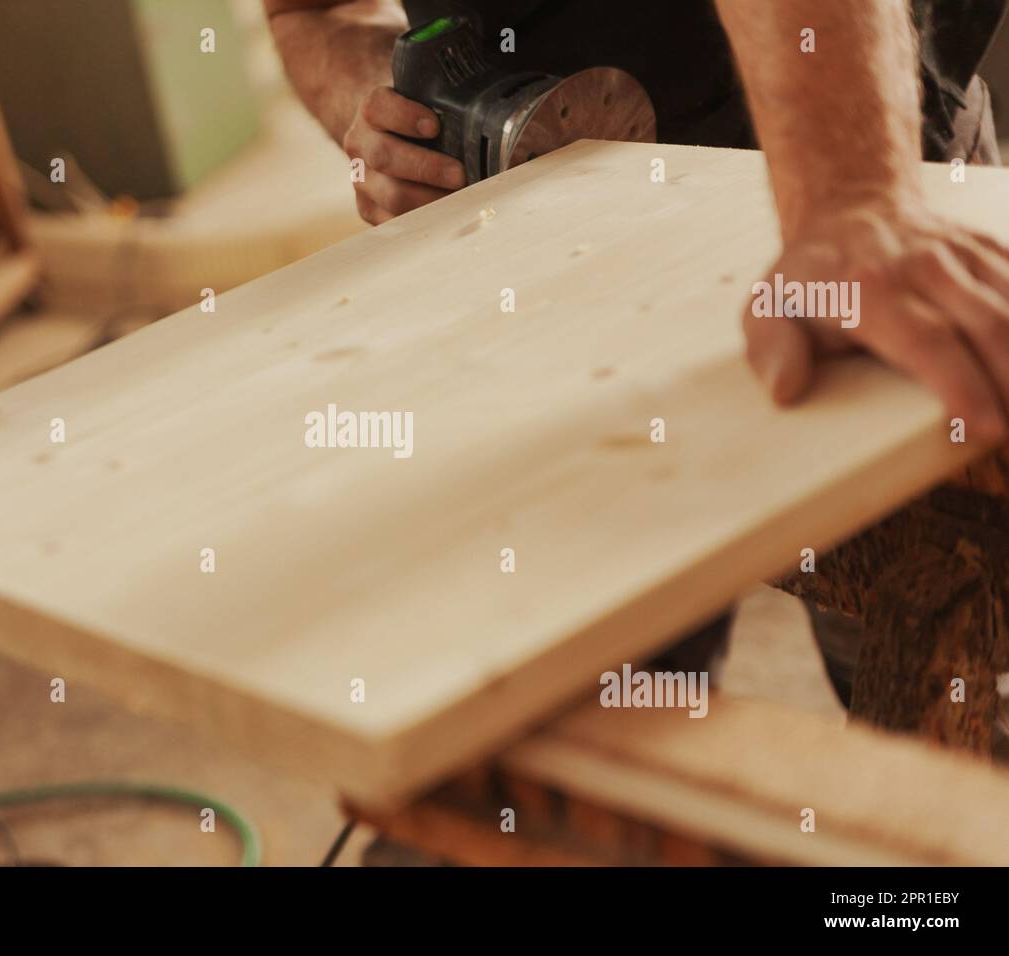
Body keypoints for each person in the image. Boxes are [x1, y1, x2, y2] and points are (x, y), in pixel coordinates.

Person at [265, 1, 1009, 716]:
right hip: (546, 261)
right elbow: (310, 13)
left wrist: (853, 197)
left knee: (923, 651)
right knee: (608, 676)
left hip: (857, 136)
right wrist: (394, 118)